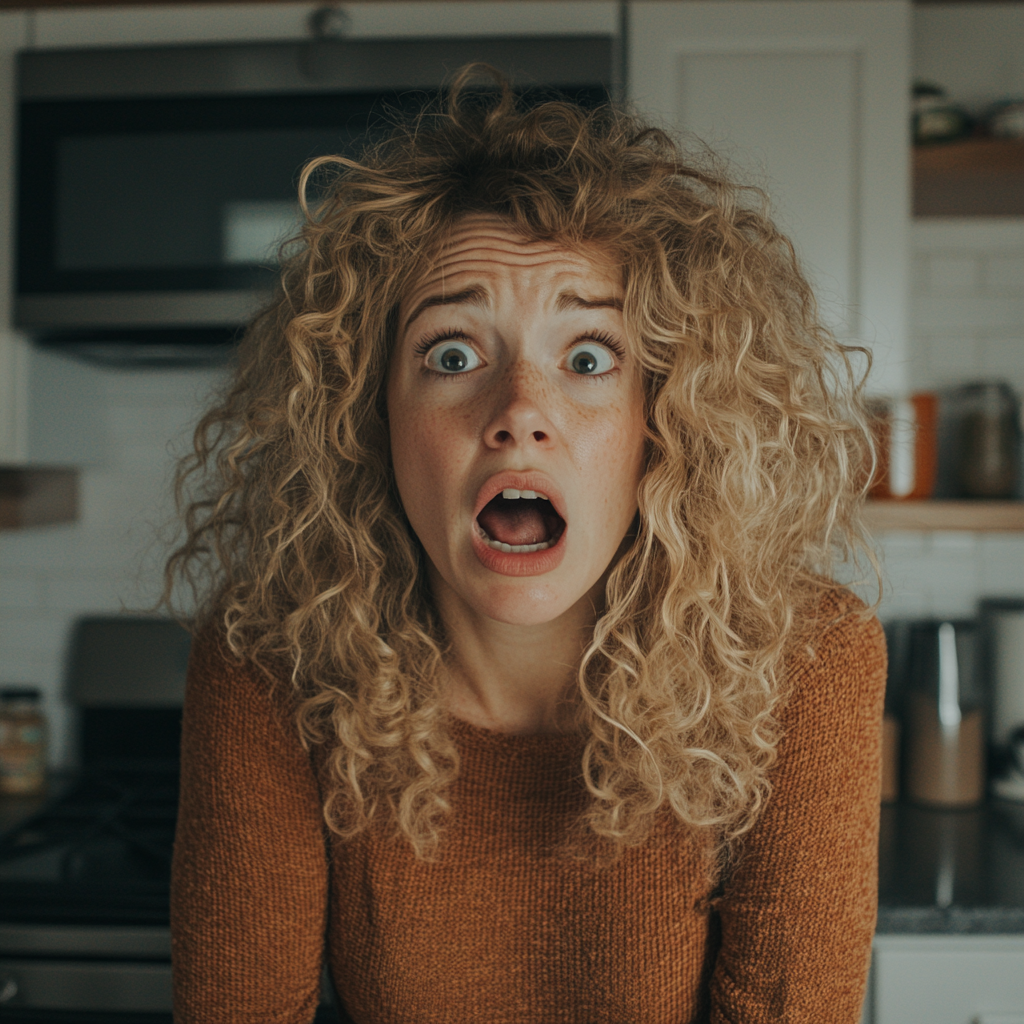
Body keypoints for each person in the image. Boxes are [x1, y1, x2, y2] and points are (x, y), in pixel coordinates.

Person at [168, 66, 887, 1024]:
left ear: (660, 421)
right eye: (453, 354)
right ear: (369, 413)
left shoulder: (804, 663)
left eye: (589, 359)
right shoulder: (272, 659)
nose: (519, 415)